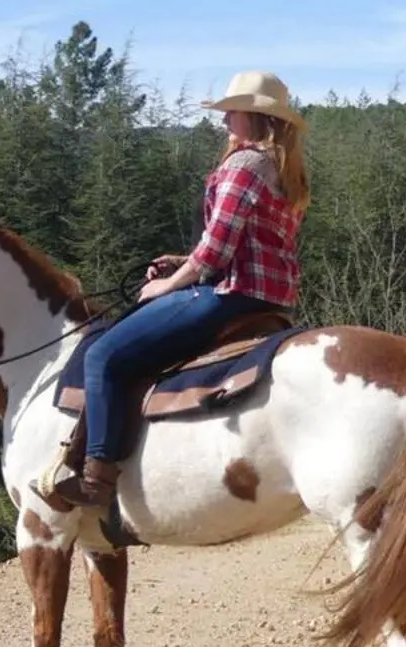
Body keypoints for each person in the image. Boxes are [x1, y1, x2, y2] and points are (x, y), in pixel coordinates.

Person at [55, 70, 311, 509]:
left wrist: (167, 285)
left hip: (231, 293)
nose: (225, 119)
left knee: (102, 355)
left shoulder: (245, 165)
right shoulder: (285, 170)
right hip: (271, 297)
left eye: (232, 111)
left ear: (255, 117)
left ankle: (97, 479)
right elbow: (250, 242)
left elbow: (215, 252)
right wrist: (180, 261)